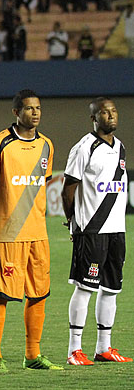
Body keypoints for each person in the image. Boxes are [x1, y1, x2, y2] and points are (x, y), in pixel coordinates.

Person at [0, 90, 61, 374]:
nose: (35, 113)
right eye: (29, 109)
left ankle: (33, 354)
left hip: (38, 232)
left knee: (39, 294)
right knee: (2, 292)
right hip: (9, 231)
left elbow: (42, 187)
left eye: (38, 108)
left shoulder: (47, 146)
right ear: (16, 112)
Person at [63, 98, 131, 365]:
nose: (110, 116)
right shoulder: (84, 148)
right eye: (104, 112)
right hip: (91, 229)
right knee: (85, 287)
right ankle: (74, 350)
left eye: (113, 111)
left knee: (111, 288)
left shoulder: (121, 148)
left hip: (117, 229)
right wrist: (73, 221)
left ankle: (104, 347)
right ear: (94, 118)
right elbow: (68, 188)